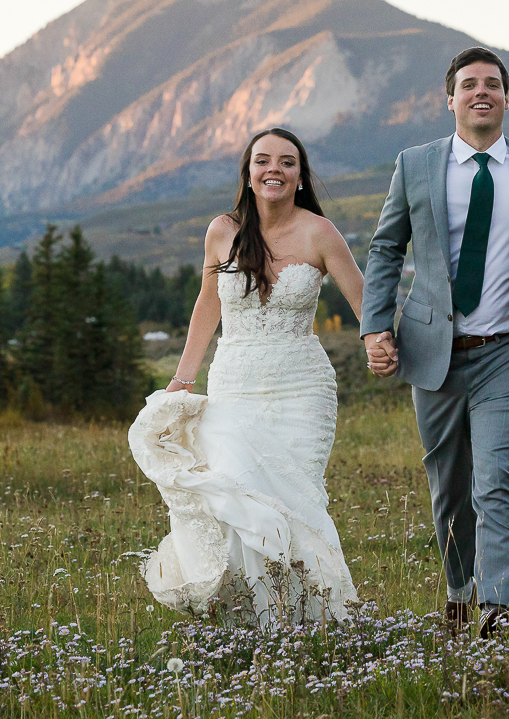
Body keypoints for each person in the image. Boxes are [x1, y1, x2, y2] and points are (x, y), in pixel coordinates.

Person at [360, 47, 509, 638]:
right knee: (449, 487)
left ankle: (495, 608)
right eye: (469, 85)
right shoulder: (414, 165)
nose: (481, 92)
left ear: (507, 98)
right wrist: (373, 326)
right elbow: (386, 249)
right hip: (433, 351)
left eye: (492, 84)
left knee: (495, 478)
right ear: (451, 99)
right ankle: (460, 592)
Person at [128, 127, 365, 626]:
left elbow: (366, 304)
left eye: (286, 162)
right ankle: (254, 623)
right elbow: (207, 305)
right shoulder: (222, 231)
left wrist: (383, 344)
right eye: (263, 161)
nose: (273, 169)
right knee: (238, 492)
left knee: (295, 496)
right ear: (249, 172)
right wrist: (183, 378)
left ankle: (311, 621)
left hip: (302, 387)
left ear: (301, 176)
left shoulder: (320, 233)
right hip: (235, 382)